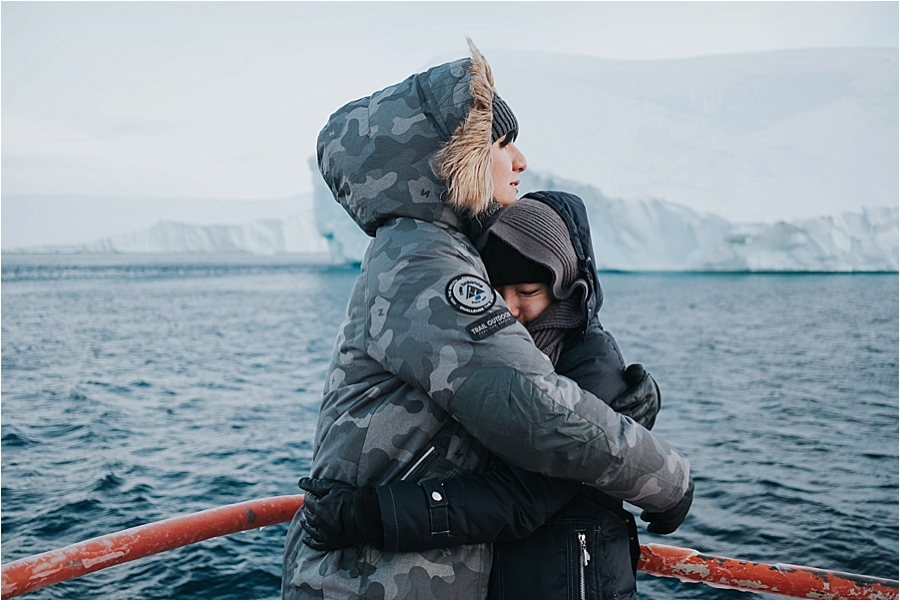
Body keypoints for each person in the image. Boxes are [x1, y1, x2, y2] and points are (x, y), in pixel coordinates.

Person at [282, 40, 692, 599]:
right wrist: (668, 479)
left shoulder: (422, 252)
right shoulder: (426, 266)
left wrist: (612, 406)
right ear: (456, 159)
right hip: (375, 583)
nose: (520, 161)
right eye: (502, 142)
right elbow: (532, 408)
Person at [297, 191, 688, 599]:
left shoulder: (589, 360)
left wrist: (369, 514)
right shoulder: (494, 351)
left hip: (570, 580)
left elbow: (522, 497)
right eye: (496, 291)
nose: (509, 307)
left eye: (528, 291)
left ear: (563, 287)